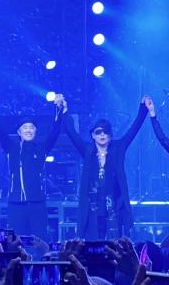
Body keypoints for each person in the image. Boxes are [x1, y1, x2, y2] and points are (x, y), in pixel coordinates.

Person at [61, 95, 149, 240]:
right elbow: (72, 133)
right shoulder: (87, 151)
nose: (102, 135)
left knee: (114, 242)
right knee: (94, 242)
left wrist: (143, 108)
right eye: (98, 132)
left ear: (110, 135)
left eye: (105, 132)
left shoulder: (118, 148)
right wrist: (64, 111)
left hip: (113, 205)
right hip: (93, 206)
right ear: (93, 135)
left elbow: (133, 130)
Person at [0, 91, 64, 240]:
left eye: (31, 127)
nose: (28, 130)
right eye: (25, 128)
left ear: (35, 131)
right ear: (19, 132)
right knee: (16, 240)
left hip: (38, 203)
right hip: (16, 203)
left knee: (40, 240)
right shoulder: (11, 148)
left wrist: (59, 109)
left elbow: (55, 132)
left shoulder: (41, 148)